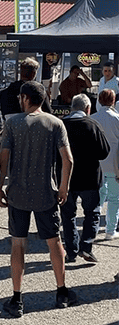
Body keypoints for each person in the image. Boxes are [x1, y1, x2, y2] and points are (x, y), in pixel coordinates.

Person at [0, 80, 76, 317]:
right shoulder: (55, 124)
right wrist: (63, 187)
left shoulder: (13, 124)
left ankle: (17, 297)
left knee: (18, 243)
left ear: (24, 98)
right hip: (45, 191)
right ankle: (61, 291)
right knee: (54, 241)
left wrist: (0, 187)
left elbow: (4, 158)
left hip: (18, 192)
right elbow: (68, 159)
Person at [60, 94, 110, 263]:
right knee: (92, 213)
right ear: (88, 109)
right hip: (89, 178)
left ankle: (71, 251)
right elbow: (104, 152)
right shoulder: (92, 124)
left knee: (68, 215)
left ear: (72, 107)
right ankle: (86, 246)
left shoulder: (61, 125)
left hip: (67, 178)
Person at [91, 89, 119, 239]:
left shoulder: (93, 118)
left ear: (99, 101)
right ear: (113, 101)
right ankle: (110, 230)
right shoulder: (117, 118)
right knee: (115, 198)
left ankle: (93, 227)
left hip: (97, 164)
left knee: (98, 197)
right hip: (115, 163)